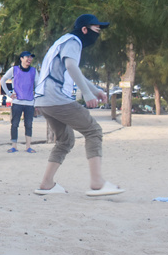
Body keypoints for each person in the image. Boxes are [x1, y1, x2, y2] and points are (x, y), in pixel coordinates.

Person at [34, 14, 124, 197]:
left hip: (43, 99)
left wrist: (95, 89)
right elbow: (71, 67)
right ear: (84, 29)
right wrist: (88, 94)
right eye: (96, 29)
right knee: (94, 131)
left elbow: (76, 73)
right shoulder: (74, 41)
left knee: (65, 140)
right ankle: (97, 183)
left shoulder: (62, 42)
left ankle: (46, 184)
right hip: (56, 98)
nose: (98, 33)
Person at [0, 51, 39, 153]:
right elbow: (2, 80)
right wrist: (9, 94)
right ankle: (14, 146)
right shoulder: (14, 69)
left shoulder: (34, 71)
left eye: (31, 57)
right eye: (27, 57)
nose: (29, 59)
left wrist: (36, 95)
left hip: (29, 102)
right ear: (21, 58)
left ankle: (28, 146)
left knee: (29, 124)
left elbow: (38, 84)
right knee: (15, 124)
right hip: (17, 102)